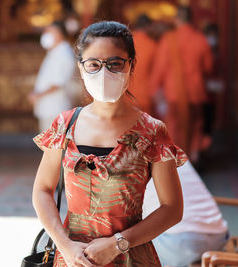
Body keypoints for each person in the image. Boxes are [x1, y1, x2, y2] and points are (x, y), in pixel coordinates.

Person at [32, 21, 187, 267]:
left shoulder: (152, 131)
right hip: (72, 258)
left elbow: (172, 208)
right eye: (93, 64)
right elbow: (42, 190)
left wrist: (118, 244)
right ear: (81, 68)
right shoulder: (65, 125)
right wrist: (65, 245)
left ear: (131, 65)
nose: (103, 73)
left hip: (131, 257)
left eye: (115, 64)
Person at [151, 6, 213, 162]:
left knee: (174, 126)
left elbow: (160, 68)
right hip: (196, 92)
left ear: (177, 19)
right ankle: (195, 155)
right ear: (191, 20)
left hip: (173, 93)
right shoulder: (200, 39)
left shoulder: (169, 39)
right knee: (196, 125)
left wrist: (153, 89)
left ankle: (177, 159)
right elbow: (208, 68)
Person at [143, 160, 229, 266]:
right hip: (219, 236)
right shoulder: (174, 152)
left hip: (180, 244)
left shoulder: (130, 165)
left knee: (130, 243)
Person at [28, 21, 75, 132]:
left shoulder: (64, 54)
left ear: (59, 33)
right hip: (48, 107)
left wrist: (38, 94)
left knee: (53, 146)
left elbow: (58, 83)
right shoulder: (55, 52)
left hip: (55, 108)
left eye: (49, 32)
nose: (46, 35)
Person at [131, 14, 157, 114]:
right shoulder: (152, 45)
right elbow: (156, 72)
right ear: (148, 27)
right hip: (146, 96)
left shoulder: (126, 43)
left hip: (126, 95)